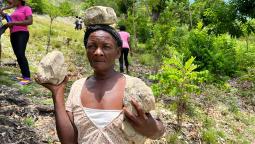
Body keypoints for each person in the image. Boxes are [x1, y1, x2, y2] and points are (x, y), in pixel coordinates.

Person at [36, 24, 165, 144]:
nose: (97, 52)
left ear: (118, 52)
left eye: (106, 46)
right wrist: (57, 93)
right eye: (91, 46)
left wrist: (151, 128)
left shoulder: (133, 86)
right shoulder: (77, 87)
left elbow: (159, 130)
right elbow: (69, 141)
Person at [1, 0, 33, 85]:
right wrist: (4, 10)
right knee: (18, 55)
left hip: (22, 33)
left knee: (20, 54)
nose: (12, 1)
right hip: (13, 34)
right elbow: (10, 20)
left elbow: (30, 21)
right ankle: (23, 76)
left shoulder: (26, 8)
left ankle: (27, 78)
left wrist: (13, 22)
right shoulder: (16, 10)